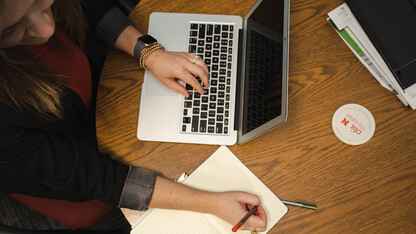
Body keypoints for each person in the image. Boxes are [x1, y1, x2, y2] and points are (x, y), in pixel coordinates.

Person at [0, 0, 267, 232]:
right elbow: (101, 178)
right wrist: (211, 203)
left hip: (99, 102)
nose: (46, 29)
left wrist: (150, 53)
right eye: (11, 29)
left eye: (38, 1)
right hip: (73, 173)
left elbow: (90, 7)